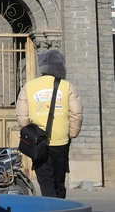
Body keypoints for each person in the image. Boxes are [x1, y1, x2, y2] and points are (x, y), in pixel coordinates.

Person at [16, 49, 82, 198]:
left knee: (45, 181)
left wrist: (29, 132)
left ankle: (50, 205)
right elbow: (76, 114)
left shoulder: (29, 86)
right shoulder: (67, 86)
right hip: (61, 141)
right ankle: (60, 205)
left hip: (38, 141)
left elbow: (22, 115)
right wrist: (71, 133)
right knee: (59, 181)